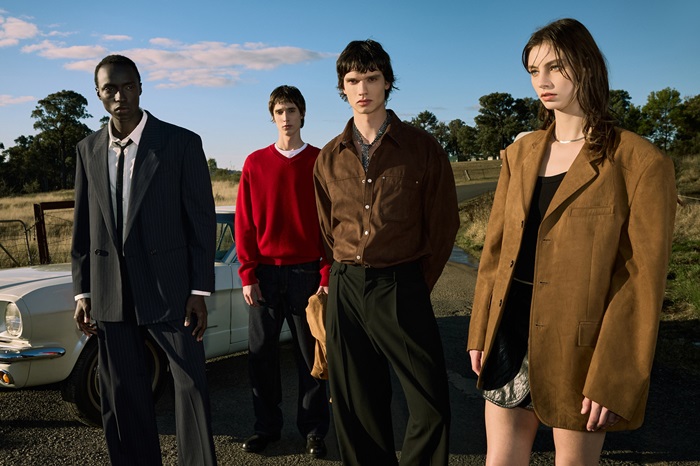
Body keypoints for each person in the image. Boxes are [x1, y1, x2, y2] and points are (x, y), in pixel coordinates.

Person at [466, 18, 677, 466]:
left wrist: (615, 373)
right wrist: (480, 329)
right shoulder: (520, 155)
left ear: (587, 66)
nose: (542, 81)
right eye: (533, 70)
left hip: (581, 344)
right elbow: (496, 252)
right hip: (508, 333)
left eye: (555, 67)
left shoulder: (640, 162)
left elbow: (641, 280)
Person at [314, 39, 459, 466]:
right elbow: (326, 230)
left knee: (431, 405)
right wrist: (339, 279)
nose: (363, 89)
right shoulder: (328, 158)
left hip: (400, 283)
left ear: (388, 82)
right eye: (353, 80)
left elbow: (442, 226)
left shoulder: (422, 148)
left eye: (372, 78)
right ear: (342, 87)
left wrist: (412, 283)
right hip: (345, 288)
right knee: (357, 409)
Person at [72, 54, 217, 466]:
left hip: (171, 289)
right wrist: (83, 291)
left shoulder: (181, 143)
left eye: (127, 86)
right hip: (110, 292)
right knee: (122, 393)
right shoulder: (87, 149)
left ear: (140, 87)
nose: (120, 96)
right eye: (110, 88)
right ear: (98, 93)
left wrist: (198, 289)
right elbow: (83, 226)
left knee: (191, 387)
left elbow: (201, 220)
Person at [234, 85, 331, 458]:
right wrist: (248, 274)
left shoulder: (320, 161)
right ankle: (266, 428)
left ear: (302, 114)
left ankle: (314, 431)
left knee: (311, 358)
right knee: (261, 355)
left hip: (308, 275)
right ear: (272, 117)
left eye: (291, 110)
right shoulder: (255, 163)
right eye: (279, 111)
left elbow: (331, 224)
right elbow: (244, 223)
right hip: (265, 275)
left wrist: (326, 274)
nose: (286, 118)